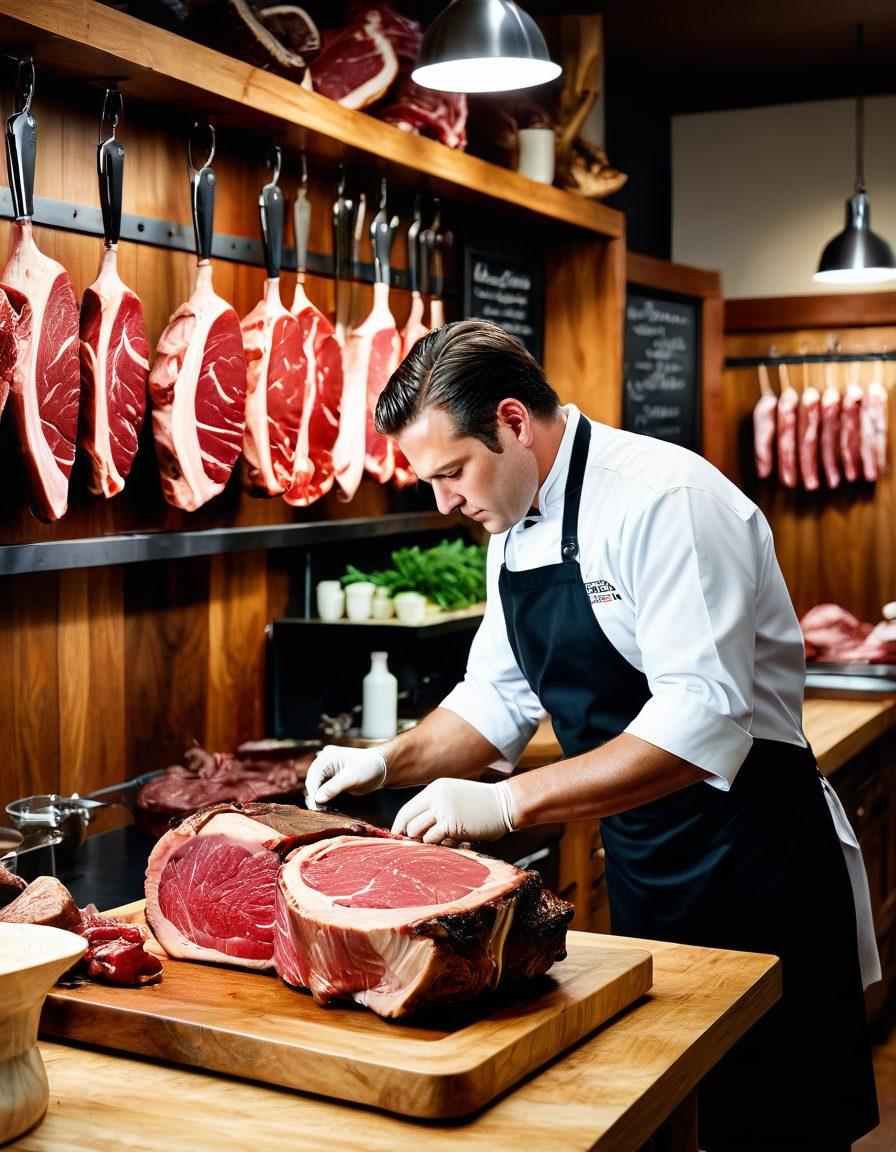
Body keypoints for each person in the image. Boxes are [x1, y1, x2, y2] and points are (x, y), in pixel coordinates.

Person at [305, 319, 879, 1151]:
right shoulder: (510, 527)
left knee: (775, 1124)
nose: (445, 502)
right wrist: (384, 760)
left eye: (452, 472)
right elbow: (492, 703)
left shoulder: (663, 499)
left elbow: (699, 724)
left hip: (757, 863)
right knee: (675, 1115)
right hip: (650, 864)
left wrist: (507, 800)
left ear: (512, 421)